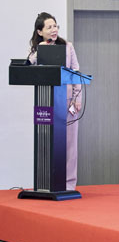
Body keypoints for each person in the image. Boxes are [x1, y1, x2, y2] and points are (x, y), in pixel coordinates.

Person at [28, 12, 82, 190]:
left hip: (67, 103)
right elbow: (29, 66)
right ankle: (47, 182)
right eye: (49, 27)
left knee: (70, 145)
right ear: (40, 31)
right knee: (47, 142)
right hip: (46, 104)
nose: (54, 30)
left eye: (55, 26)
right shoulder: (37, 50)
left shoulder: (67, 47)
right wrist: (41, 49)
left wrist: (77, 98)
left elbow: (76, 73)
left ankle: (69, 184)